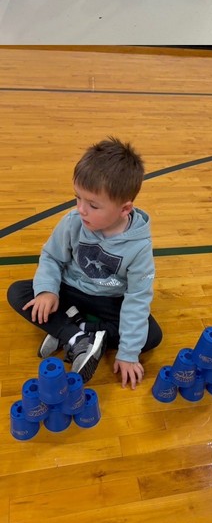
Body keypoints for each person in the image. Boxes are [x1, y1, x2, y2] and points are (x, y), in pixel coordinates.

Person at [6, 138, 161, 387]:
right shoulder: (72, 222)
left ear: (124, 209)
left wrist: (129, 353)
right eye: (78, 198)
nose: (81, 209)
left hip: (108, 300)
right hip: (70, 291)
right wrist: (47, 291)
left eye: (93, 205)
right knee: (18, 293)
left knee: (152, 336)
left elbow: (137, 299)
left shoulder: (140, 247)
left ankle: (71, 329)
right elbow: (51, 257)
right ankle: (78, 336)